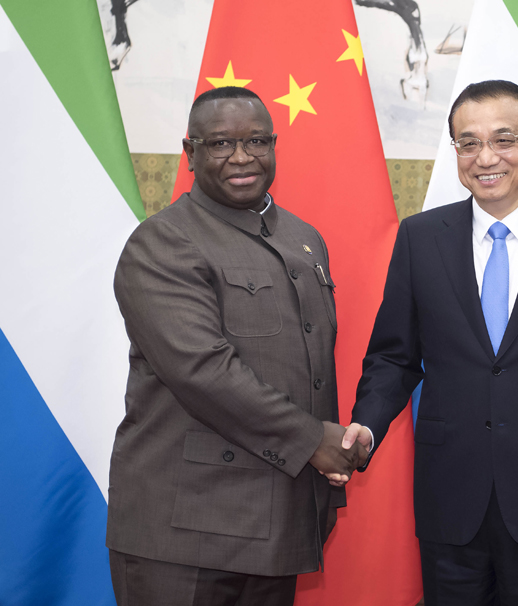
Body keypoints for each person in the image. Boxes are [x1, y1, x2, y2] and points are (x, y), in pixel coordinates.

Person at [338, 80, 518, 605]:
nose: (486, 157)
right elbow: (394, 356)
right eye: (468, 143)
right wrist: (367, 421)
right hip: (450, 494)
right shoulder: (420, 237)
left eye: (503, 139)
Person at [106, 86, 367, 606]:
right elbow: (203, 371)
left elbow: (312, 367)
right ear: (190, 152)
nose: (242, 157)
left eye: (257, 141)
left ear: (274, 145)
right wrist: (314, 440)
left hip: (282, 520)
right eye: (221, 143)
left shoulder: (303, 238)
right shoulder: (163, 242)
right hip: (187, 529)